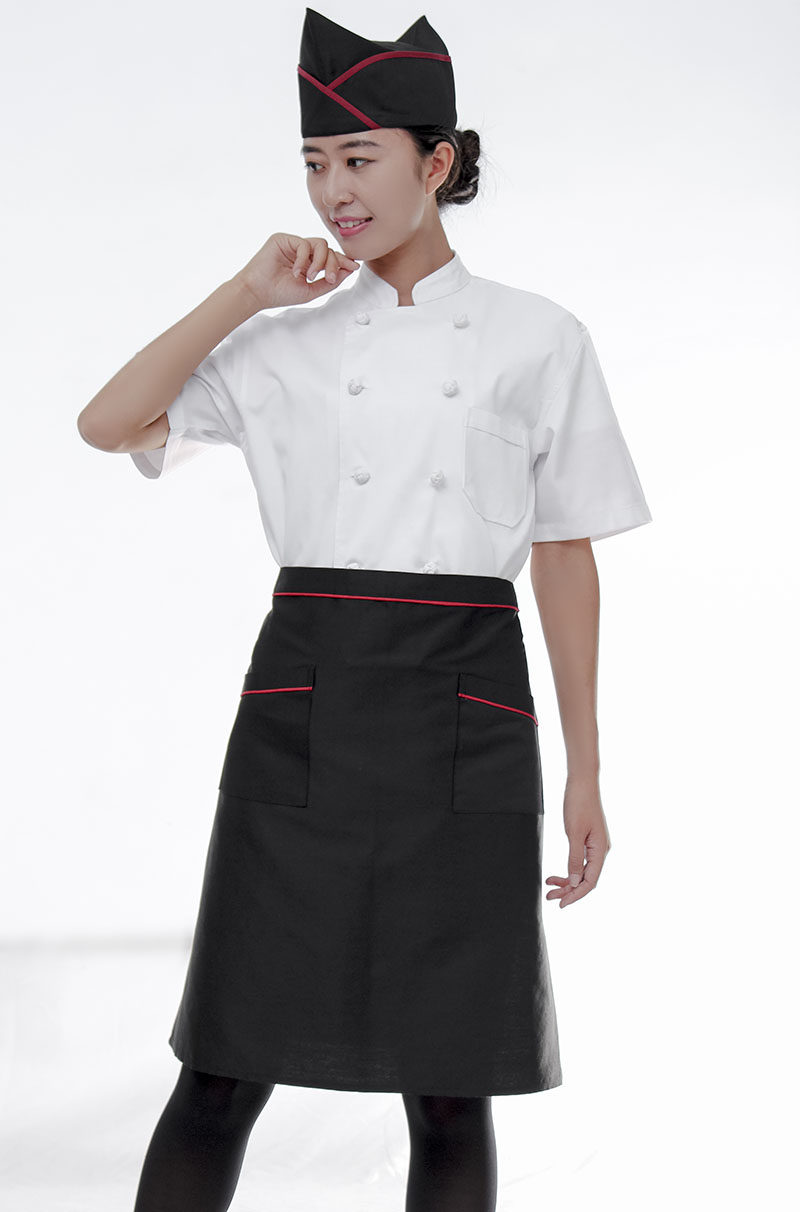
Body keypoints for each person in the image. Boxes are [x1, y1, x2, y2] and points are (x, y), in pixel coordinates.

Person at [77, 8, 653, 1211]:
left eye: (357, 159)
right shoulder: (280, 347)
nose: (333, 191)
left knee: (450, 1083)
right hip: (304, 705)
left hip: (467, 712)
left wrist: (586, 770)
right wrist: (243, 292)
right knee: (222, 1065)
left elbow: (562, 552)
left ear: (434, 164)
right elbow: (108, 422)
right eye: (313, 163)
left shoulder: (537, 338)